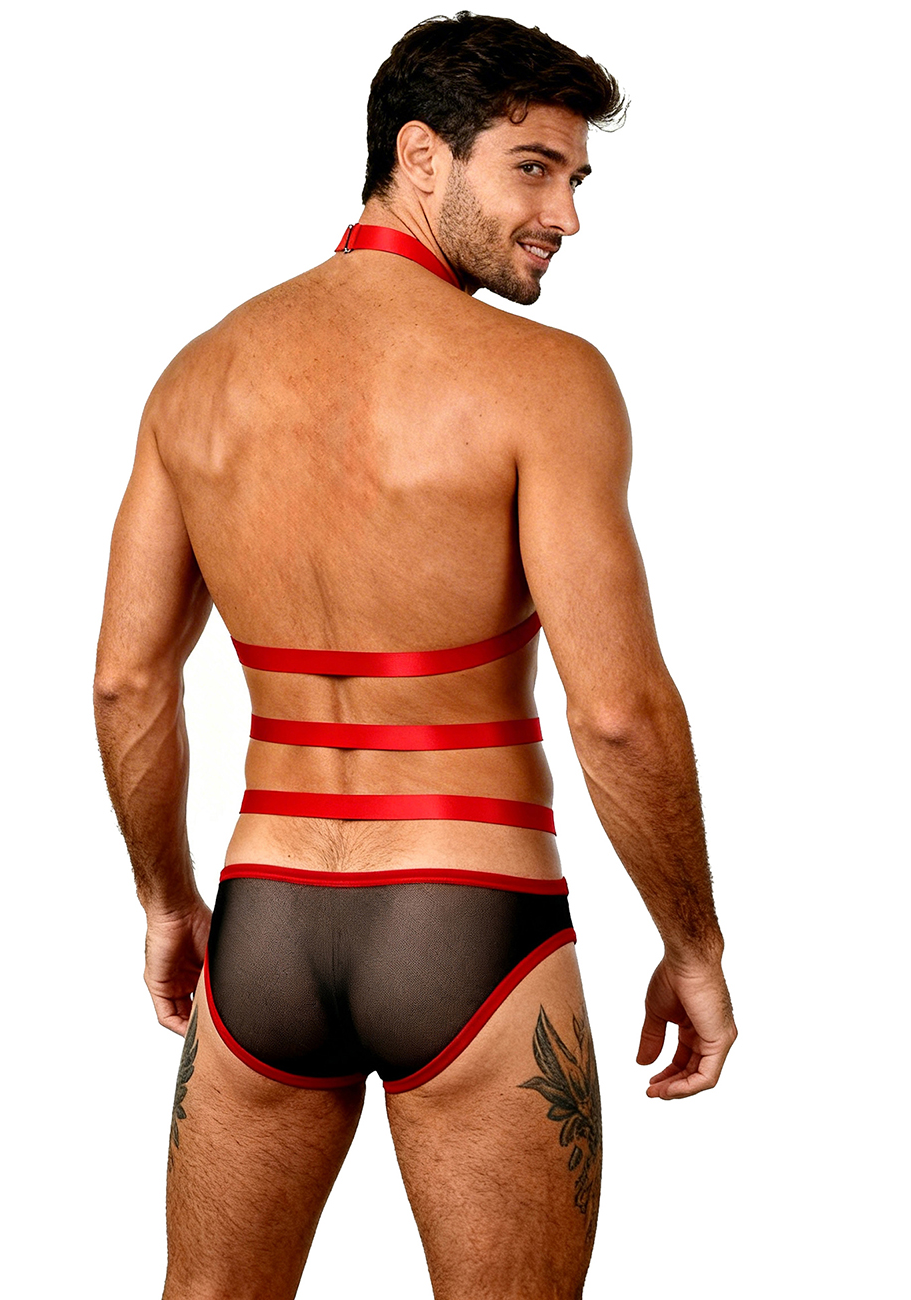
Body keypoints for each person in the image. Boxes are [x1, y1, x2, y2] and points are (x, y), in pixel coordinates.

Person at [94, 11, 737, 1298]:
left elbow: (127, 680)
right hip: (471, 916)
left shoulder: (198, 377)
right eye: (533, 169)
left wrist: (167, 901)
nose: (564, 215)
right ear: (421, 154)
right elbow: (617, 711)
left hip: (264, 927)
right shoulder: (542, 380)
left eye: (576, 178)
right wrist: (693, 944)